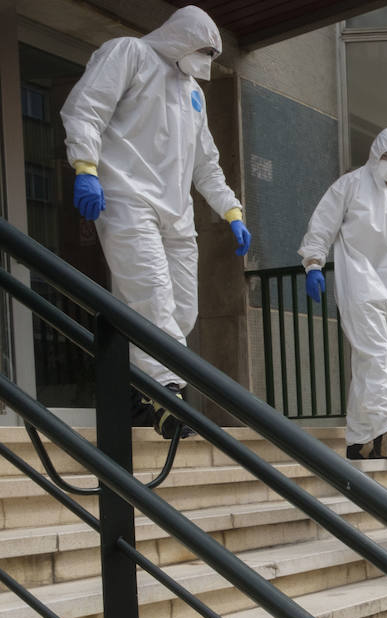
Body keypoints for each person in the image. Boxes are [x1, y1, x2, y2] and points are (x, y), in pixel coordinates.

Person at [61, 5, 251, 438]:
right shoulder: (127, 54)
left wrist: (231, 210)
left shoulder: (193, 92)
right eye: (203, 49)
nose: (205, 60)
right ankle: (167, 396)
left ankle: (138, 390)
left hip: (177, 212)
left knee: (182, 310)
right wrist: (86, 168)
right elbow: (85, 109)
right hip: (128, 198)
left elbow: (206, 163)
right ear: (182, 36)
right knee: (151, 298)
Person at [299, 127, 387, 460]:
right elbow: (322, 225)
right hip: (361, 284)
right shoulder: (349, 186)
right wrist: (313, 264)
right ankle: (385, 430)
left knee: (381, 364)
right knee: (377, 356)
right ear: (376, 152)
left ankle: (360, 439)